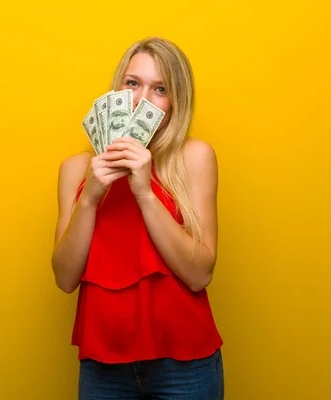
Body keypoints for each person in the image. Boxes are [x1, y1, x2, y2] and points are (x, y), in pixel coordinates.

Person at [51, 36, 224, 399]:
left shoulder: (194, 158)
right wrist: (90, 199)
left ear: (176, 102)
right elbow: (65, 278)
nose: (141, 99)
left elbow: (200, 274)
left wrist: (145, 192)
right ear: (116, 88)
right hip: (103, 367)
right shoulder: (75, 170)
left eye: (159, 89)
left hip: (185, 364)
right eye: (132, 83)